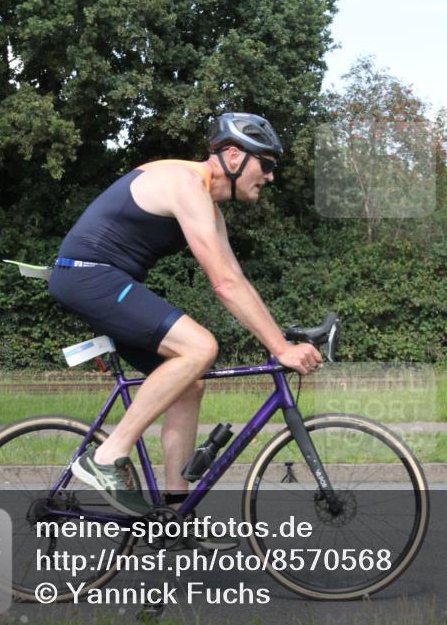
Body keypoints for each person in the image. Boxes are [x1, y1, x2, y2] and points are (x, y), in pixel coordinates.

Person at [48, 113, 322, 522]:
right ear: (233, 155)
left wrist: (279, 338)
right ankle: (107, 457)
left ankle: (176, 513)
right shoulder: (185, 184)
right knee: (201, 346)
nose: (270, 176)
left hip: (104, 280)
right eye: (266, 164)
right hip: (87, 275)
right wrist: (280, 349)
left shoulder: (210, 209)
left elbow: (238, 281)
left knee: (188, 383)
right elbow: (223, 285)